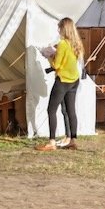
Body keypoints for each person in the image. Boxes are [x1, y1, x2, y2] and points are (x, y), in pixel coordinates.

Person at [38, 17, 85, 151]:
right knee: (70, 110)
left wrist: (49, 56)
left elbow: (57, 65)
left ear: (63, 29)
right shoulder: (76, 44)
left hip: (63, 80)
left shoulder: (63, 44)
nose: (58, 31)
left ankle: (51, 142)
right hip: (74, 80)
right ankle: (72, 139)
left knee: (51, 110)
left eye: (59, 28)